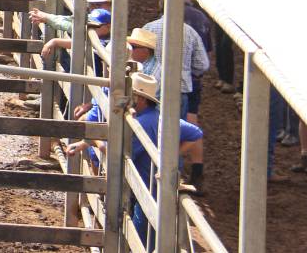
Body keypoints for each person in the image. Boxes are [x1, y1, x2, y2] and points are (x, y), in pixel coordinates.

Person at [67, 71, 204, 240]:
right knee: (146, 235)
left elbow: (113, 152)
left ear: (140, 99)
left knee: (139, 238)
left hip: (145, 189)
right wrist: (172, 155)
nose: (126, 99)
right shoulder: (160, 117)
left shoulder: (141, 124)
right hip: (154, 186)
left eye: (131, 95)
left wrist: (92, 140)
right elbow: (195, 133)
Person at [141, 0, 210, 123]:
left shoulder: (148, 28)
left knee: (149, 130)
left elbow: (137, 56)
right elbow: (202, 64)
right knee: (176, 134)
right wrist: (187, 70)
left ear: (161, 5)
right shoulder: (190, 32)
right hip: (179, 88)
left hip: (149, 88)